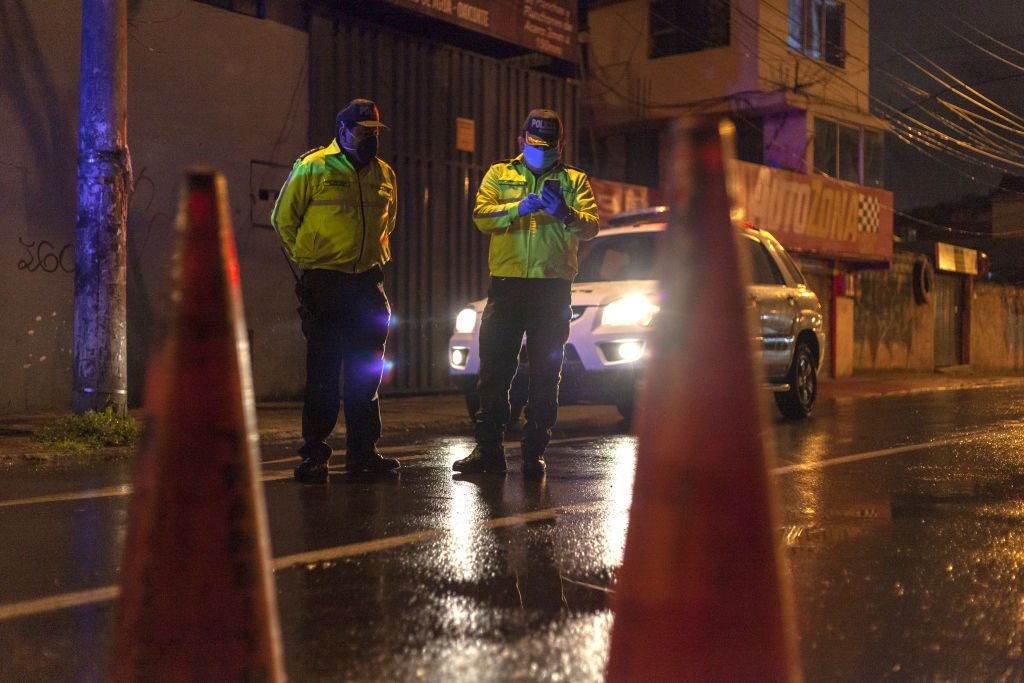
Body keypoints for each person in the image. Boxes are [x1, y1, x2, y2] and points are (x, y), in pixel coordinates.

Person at [453, 108, 599, 477]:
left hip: (552, 289)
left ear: (561, 144)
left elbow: (591, 227)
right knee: (495, 371)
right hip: (507, 285)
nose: (542, 150)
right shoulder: (500, 173)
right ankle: (488, 450)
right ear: (521, 140)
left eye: (549, 145)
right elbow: (481, 217)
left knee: (547, 373)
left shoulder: (574, 180)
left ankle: (535, 451)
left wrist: (564, 213)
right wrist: (517, 207)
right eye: (534, 143)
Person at [271, 98, 400, 483]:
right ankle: (315, 454)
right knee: (324, 373)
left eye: (375, 133)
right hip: (326, 283)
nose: (371, 139)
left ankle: (364, 453)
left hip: (367, 283)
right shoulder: (313, 167)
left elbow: (387, 224)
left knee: (367, 373)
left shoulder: (385, 174)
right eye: (364, 132)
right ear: (343, 131)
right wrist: (310, 258)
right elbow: (283, 219)